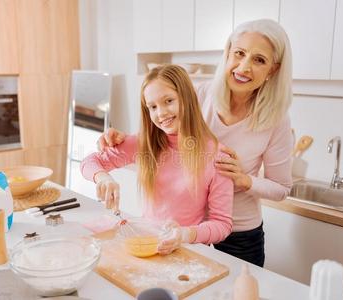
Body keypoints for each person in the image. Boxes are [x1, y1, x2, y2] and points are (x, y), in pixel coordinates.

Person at [98, 19, 293, 267]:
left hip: (240, 231)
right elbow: (163, 130)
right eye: (240, 54)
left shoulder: (276, 120)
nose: (244, 67)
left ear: (273, 70)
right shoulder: (199, 95)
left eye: (259, 60)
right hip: (187, 227)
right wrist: (121, 138)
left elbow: (282, 188)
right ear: (228, 53)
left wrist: (245, 180)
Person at [81, 64, 234, 255]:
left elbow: (222, 225)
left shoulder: (217, 156)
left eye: (168, 101)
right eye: (152, 106)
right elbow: (89, 162)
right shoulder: (143, 144)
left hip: (189, 253)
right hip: (148, 245)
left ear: (188, 99)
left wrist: (184, 235)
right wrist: (103, 178)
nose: (160, 113)